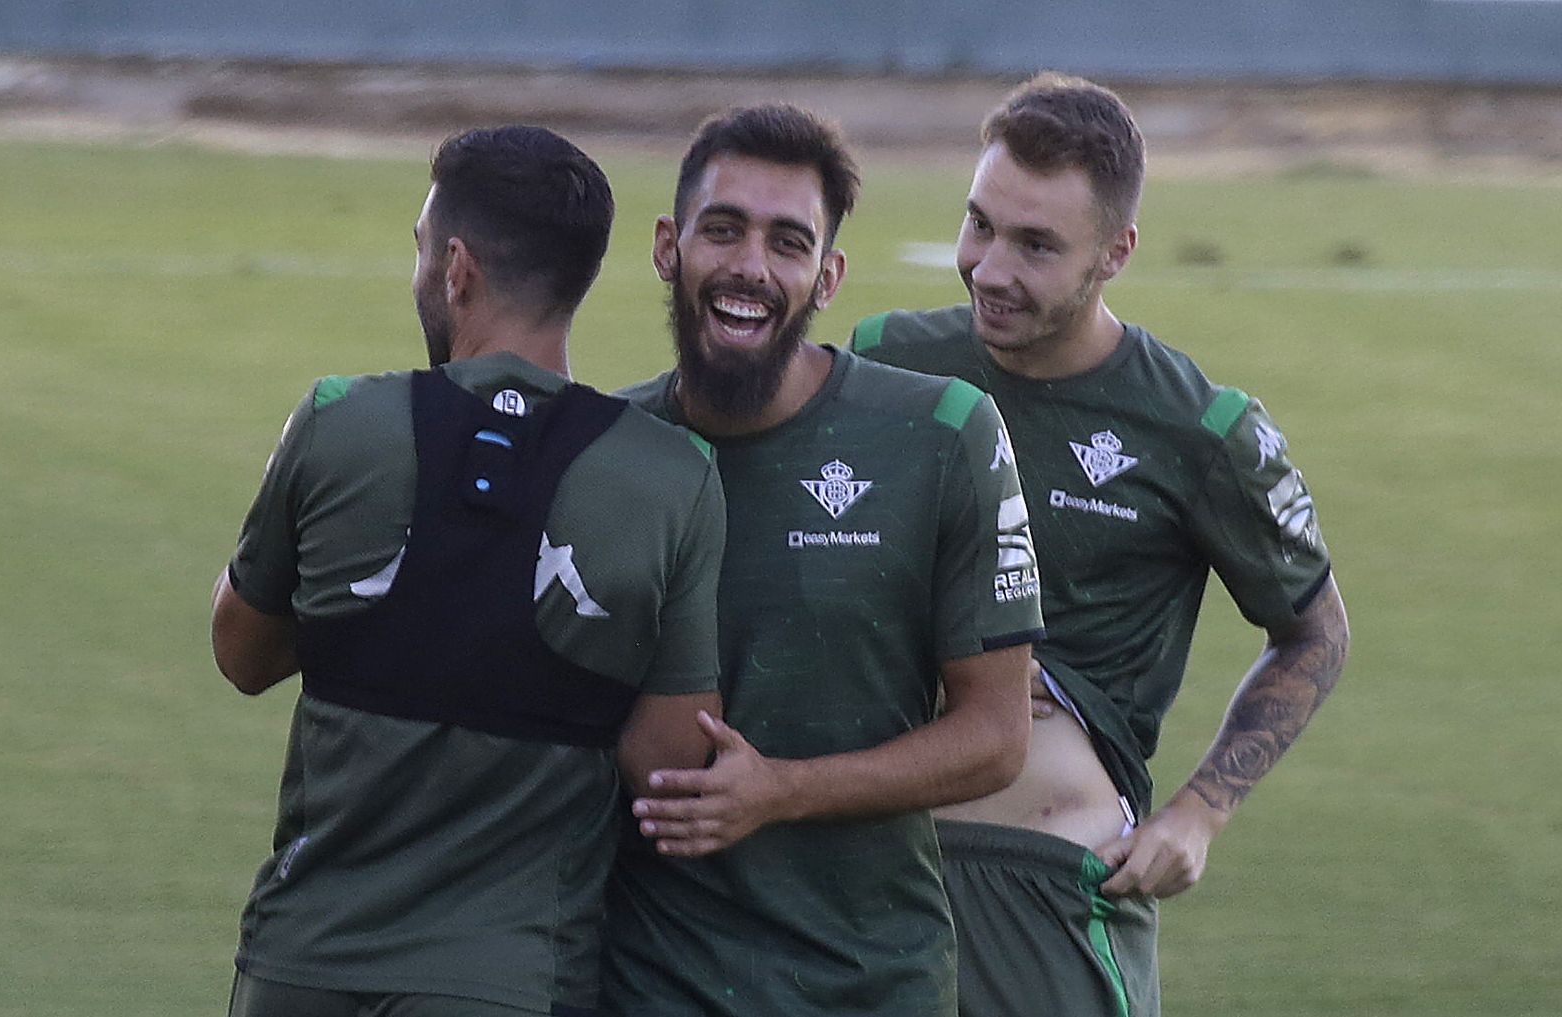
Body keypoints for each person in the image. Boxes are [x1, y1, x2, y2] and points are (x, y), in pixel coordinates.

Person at [851, 72, 1352, 1017]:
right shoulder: (884, 363)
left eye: (1037, 245)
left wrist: (1201, 813)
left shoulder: (1200, 430)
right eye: (981, 224)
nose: (991, 268)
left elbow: (1317, 633)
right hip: (860, 864)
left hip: (1042, 887)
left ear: (1115, 251)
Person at [209, 125, 728, 1017]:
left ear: (456, 268)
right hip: (511, 980)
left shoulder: (338, 420)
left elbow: (241, 652)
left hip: (302, 964)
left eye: (420, 249)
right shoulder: (672, 477)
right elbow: (670, 763)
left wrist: (390, 612)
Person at [600, 104, 1046, 1017]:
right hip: (647, 982)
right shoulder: (601, 449)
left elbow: (997, 737)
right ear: (666, 247)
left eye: (788, 242)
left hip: (870, 981)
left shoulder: (943, 433)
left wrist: (781, 792)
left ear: (828, 275)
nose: (749, 267)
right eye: (721, 230)